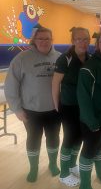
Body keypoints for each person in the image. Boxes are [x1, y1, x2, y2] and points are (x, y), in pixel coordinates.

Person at [4, 26, 61, 182]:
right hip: (31, 111)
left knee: (53, 138)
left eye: (47, 38)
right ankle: (34, 168)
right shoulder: (22, 58)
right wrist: (16, 109)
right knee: (33, 139)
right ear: (34, 40)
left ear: (52, 40)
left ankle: (52, 164)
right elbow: (11, 85)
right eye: (40, 38)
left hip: (54, 110)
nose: (43, 41)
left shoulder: (60, 58)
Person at [77, 31, 101, 189]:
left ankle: (100, 173)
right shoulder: (90, 67)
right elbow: (83, 97)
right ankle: (85, 183)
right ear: (97, 45)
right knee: (89, 150)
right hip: (93, 119)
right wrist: (91, 120)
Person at [52, 27, 90, 186]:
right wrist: (57, 107)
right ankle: (64, 172)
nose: (83, 42)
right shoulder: (65, 59)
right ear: (73, 41)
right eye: (79, 39)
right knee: (69, 138)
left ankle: (73, 165)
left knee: (79, 137)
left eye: (86, 39)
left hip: (85, 107)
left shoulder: (90, 58)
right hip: (68, 106)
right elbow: (55, 84)